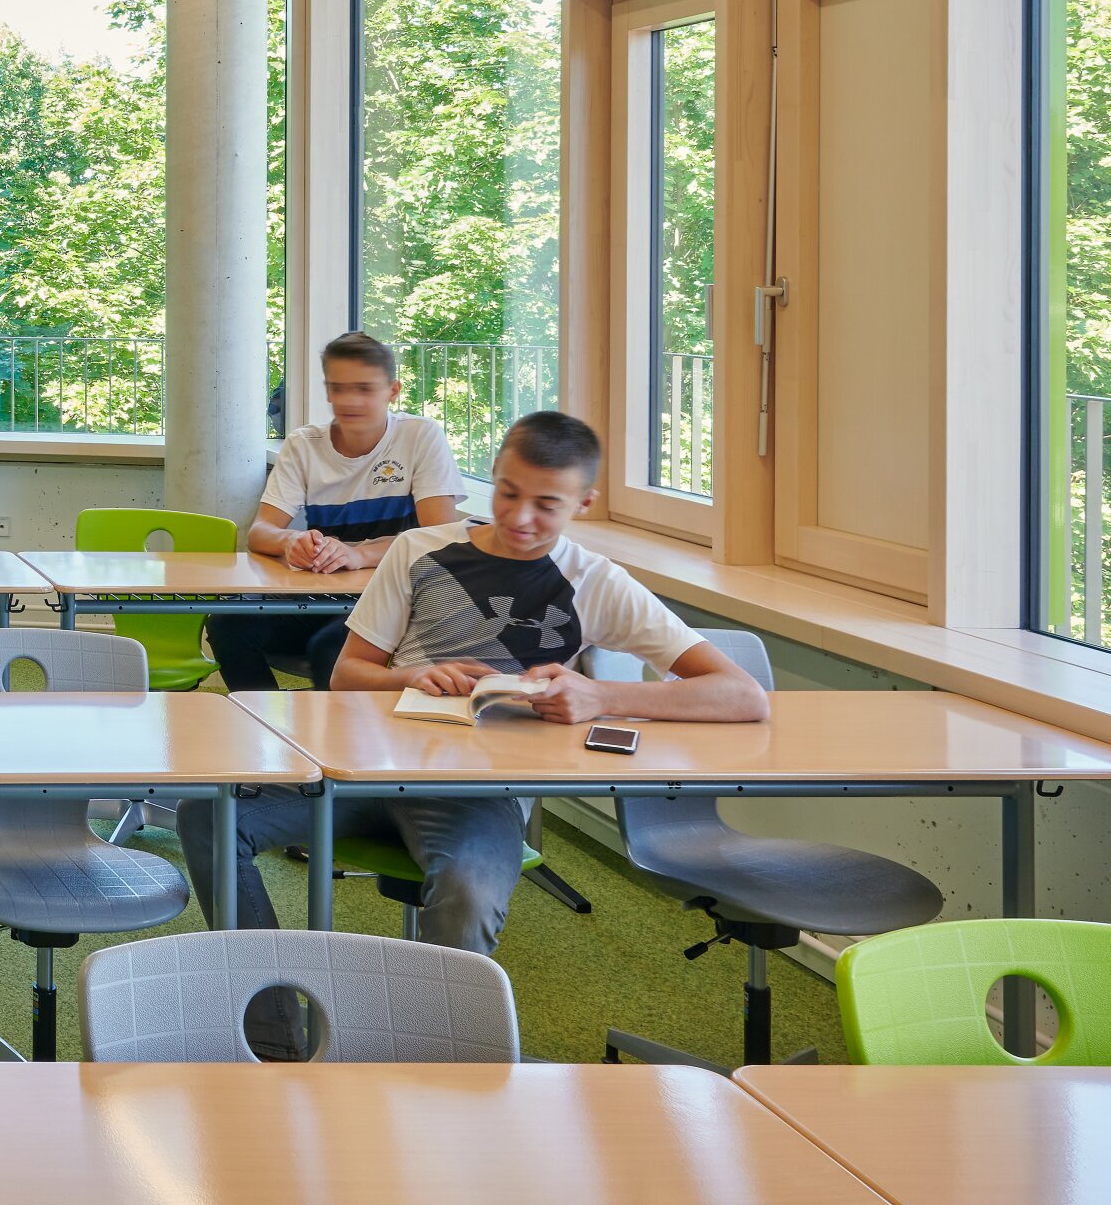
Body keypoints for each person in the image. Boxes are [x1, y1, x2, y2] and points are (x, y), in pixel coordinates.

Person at [176, 411, 767, 988]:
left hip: (477, 794)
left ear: (583, 503)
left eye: (547, 505)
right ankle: (269, 1026)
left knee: (470, 894)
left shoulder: (596, 581)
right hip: (361, 769)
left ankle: (425, 1062)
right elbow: (348, 675)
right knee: (208, 816)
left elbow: (742, 696)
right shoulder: (419, 550)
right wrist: (410, 677)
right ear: (493, 474)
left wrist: (599, 695)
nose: (519, 517)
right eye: (508, 494)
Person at [215, 331, 465, 692]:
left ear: (392, 391)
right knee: (228, 625)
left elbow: (440, 537)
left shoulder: (420, 436)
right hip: (322, 597)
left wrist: (357, 553)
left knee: (330, 650)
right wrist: (291, 542)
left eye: (364, 388)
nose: (349, 400)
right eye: (338, 388)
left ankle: (329, 741)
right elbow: (260, 533)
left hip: (394, 599)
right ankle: (265, 725)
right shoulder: (303, 443)